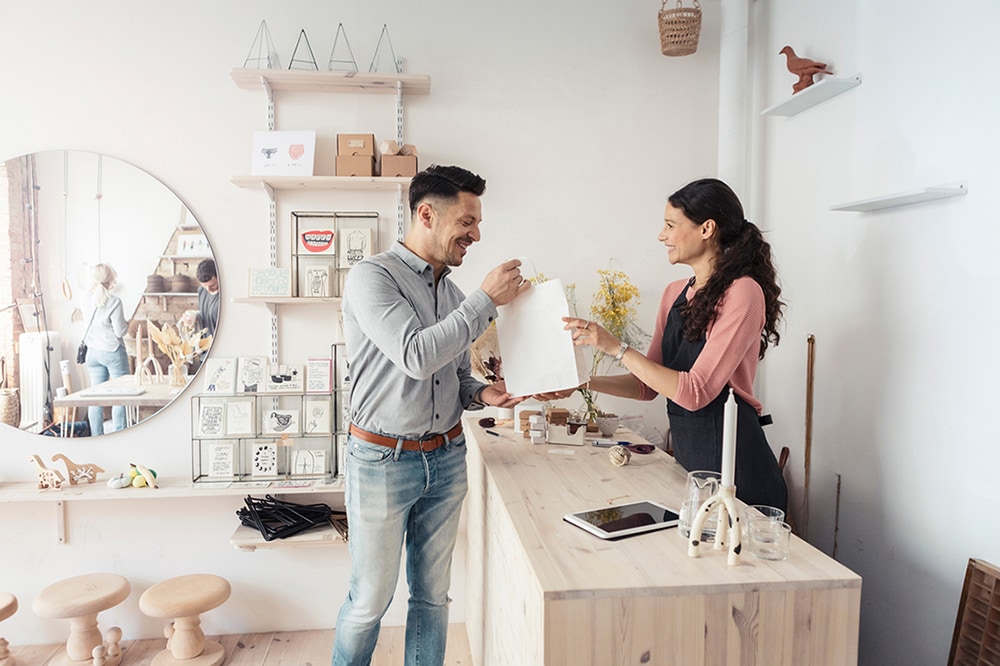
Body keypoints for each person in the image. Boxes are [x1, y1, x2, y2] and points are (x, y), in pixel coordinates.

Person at [332, 164, 531, 665]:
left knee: (433, 597)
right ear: (427, 214)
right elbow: (417, 355)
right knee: (369, 601)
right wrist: (486, 300)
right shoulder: (372, 277)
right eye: (467, 221)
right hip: (381, 461)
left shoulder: (451, 293)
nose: (476, 234)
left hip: (445, 459)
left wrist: (487, 395)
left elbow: (454, 378)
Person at [558, 178, 787, 510]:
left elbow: (695, 392)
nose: (661, 235)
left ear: (707, 228)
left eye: (670, 225)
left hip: (740, 472)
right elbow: (646, 386)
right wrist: (581, 382)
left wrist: (615, 347)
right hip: (693, 467)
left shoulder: (744, 293)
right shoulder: (674, 294)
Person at [82, 263, 130, 435]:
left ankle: (97, 436)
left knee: (96, 398)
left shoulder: (85, 299)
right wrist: (127, 324)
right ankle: (119, 435)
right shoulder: (115, 302)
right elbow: (120, 331)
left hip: (92, 353)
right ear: (111, 280)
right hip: (112, 352)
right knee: (121, 396)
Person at [181, 258, 220, 338]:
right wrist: (194, 318)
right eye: (205, 286)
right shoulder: (201, 290)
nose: (208, 289)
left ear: (219, 277)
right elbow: (204, 314)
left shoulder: (224, 295)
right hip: (205, 344)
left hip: (220, 343)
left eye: (212, 285)